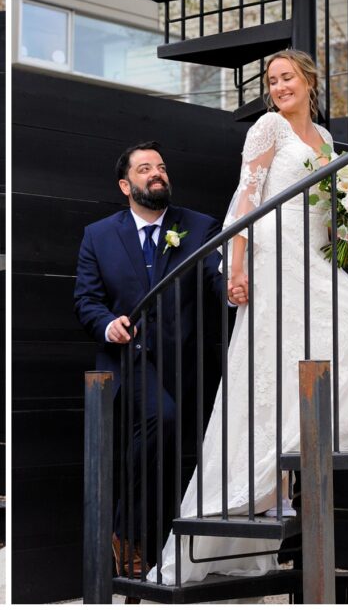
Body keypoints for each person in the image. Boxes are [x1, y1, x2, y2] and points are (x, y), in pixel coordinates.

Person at [149, 50, 348, 585]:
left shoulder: (326, 141)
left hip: (315, 258)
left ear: (309, 81)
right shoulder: (266, 127)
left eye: (287, 78)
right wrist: (236, 268)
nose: (279, 86)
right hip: (272, 259)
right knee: (274, 364)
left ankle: (329, 439)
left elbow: (327, 210)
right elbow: (245, 198)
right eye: (272, 80)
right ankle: (265, 485)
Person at [74, 141, 227, 577]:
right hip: (128, 363)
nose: (157, 173)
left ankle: (132, 537)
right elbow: (86, 300)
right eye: (145, 169)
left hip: (184, 364)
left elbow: (218, 282)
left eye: (160, 167)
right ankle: (131, 535)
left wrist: (235, 292)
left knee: (166, 444)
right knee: (162, 419)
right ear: (126, 184)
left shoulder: (199, 228)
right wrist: (108, 324)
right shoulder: (98, 235)